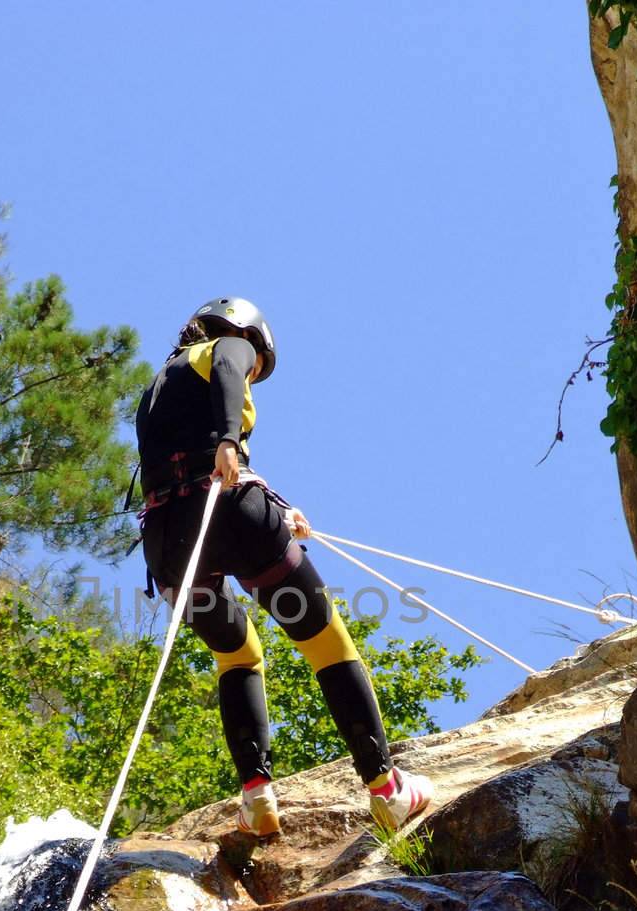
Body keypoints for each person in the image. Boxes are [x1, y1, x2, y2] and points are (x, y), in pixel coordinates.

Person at [135, 296, 434, 839]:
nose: (249, 367)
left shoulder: (155, 390)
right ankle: (387, 789)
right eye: (255, 360)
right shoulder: (224, 347)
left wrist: (277, 500)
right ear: (242, 332)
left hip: (168, 544)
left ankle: (256, 796)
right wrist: (230, 438)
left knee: (238, 652)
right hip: (229, 511)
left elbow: (184, 461)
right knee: (325, 639)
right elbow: (227, 377)